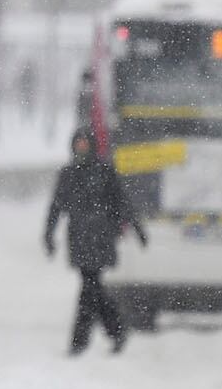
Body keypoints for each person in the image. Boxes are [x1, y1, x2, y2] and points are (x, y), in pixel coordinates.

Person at [44, 127, 147, 355]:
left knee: (90, 287)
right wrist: (48, 235)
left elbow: (122, 201)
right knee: (92, 288)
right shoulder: (68, 174)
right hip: (80, 239)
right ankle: (116, 330)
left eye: (84, 144)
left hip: (101, 238)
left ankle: (81, 341)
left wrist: (138, 228)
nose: (81, 149)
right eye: (78, 144)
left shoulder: (104, 171)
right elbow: (56, 207)